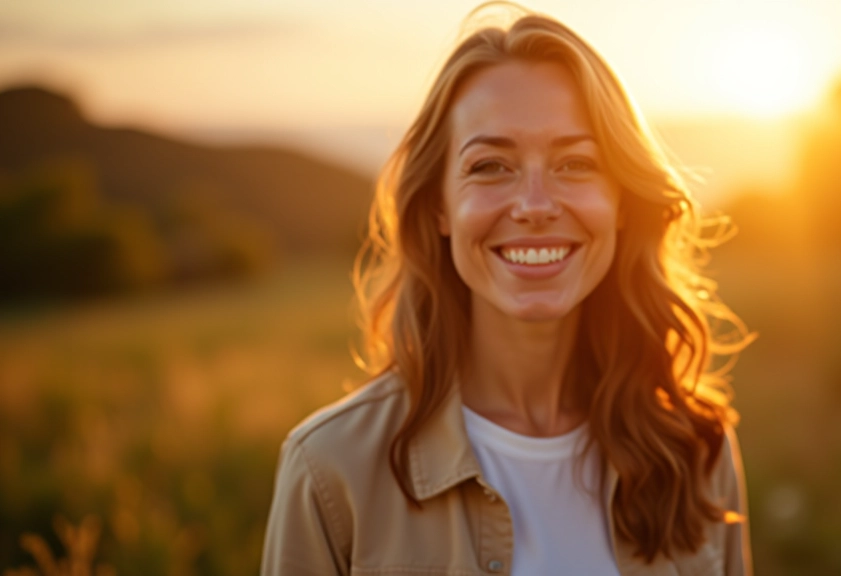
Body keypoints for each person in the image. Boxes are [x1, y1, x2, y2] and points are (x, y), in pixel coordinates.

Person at [262, 4, 753, 575]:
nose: (535, 206)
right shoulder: (331, 469)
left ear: (622, 201)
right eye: (491, 166)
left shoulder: (695, 450)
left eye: (575, 164)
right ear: (440, 207)